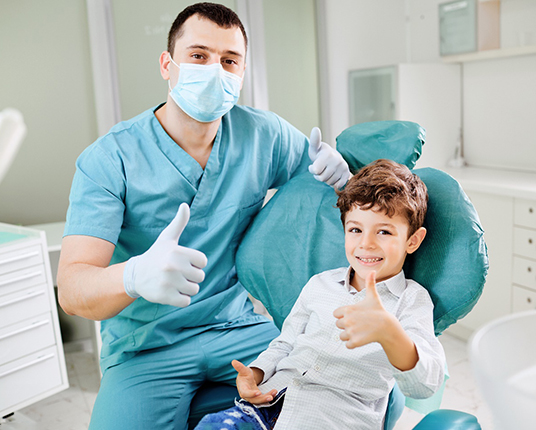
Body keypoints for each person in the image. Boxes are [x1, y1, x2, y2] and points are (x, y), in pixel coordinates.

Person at [56, 3, 350, 430]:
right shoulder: (110, 158)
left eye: (229, 61)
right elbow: (73, 287)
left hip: (238, 329)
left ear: (242, 73)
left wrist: (343, 176)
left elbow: (345, 198)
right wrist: (134, 275)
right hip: (147, 346)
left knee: (352, 397)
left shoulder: (263, 135)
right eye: (198, 55)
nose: (215, 70)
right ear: (167, 65)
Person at [196, 159, 446, 430]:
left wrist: (389, 332)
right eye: (356, 230)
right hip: (266, 405)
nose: (366, 243)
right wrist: (255, 374)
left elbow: (426, 384)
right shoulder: (320, 284)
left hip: (331, 419)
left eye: (384, 231)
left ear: (413, 240)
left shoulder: (411, 300)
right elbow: (285, 343)